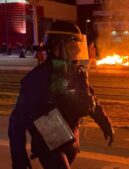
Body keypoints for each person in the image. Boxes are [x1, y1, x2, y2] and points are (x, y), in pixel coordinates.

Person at [8, 20, 114, 169]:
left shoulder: (76, 73)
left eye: (78, 47)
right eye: (72, 47)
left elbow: (91, 100)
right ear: (57, 47)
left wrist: (104, 122)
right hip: (49, 138)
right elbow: (17, 121)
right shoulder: (38, 78)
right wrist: (18, 156)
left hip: (71, 138)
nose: (77, 52)